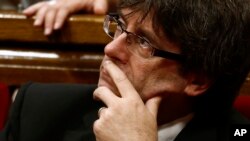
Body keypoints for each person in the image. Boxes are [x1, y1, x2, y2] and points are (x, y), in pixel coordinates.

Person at [1, 0, 250, 141]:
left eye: (144, 42)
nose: (111, 49)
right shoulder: (38, 111)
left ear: (197, 79)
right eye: (119, 25)